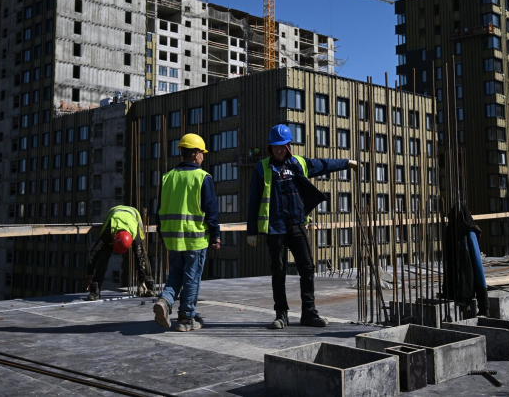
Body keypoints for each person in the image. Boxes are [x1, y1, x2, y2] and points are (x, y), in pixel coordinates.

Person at [247, 124, 358, 329]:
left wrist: (345, 163)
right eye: (276, 146)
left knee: (307, 268)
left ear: (289, 145)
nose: (280, 150)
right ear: (270, 147)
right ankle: (281, 314)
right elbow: (253, 200)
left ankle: (309, 313)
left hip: (297, 225)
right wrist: (252, 231)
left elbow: (324, 164)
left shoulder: (299, 163)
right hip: (275, 227)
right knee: (278, 271)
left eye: (283, 146)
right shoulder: (261, 168)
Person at [153, 134, 220, 332]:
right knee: (192, 278)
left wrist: (162, 234)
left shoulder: (168, 177)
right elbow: (211, 210)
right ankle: (186, 318)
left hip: (172, 238)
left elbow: (160, 209)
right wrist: (215, 234)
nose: (203, 158)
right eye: (202, 154)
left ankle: (165, 301)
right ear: (196, 154)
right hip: (195, 238)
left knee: (176, 273)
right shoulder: (202, 177)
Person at [86, 205, 154, 300]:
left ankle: (149, 286)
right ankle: (95, 290)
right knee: (103, 258)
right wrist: (89, 274)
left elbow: (140, 259)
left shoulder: (135, 235)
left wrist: (141, 281)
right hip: (114, 214)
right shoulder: (108, 232)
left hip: (133, 215)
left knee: (143, 254)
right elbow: (94, 252)